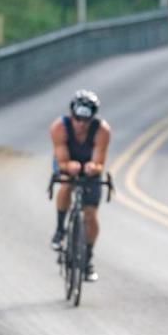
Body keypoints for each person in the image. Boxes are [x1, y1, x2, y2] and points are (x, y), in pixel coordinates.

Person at [49, 89, 111, 282]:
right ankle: (60, 230)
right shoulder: (59, 127)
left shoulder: (102, 130)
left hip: (89, 166)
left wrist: (94, 167)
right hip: (68, 161)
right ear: (72, 115)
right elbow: (61, 157)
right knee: (66, 184)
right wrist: (68, 165)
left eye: (85, 121)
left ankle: (87, 260)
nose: (80, 125)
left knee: (91, 214)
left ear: (92, 118)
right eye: (77, 119)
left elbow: (99, 159)